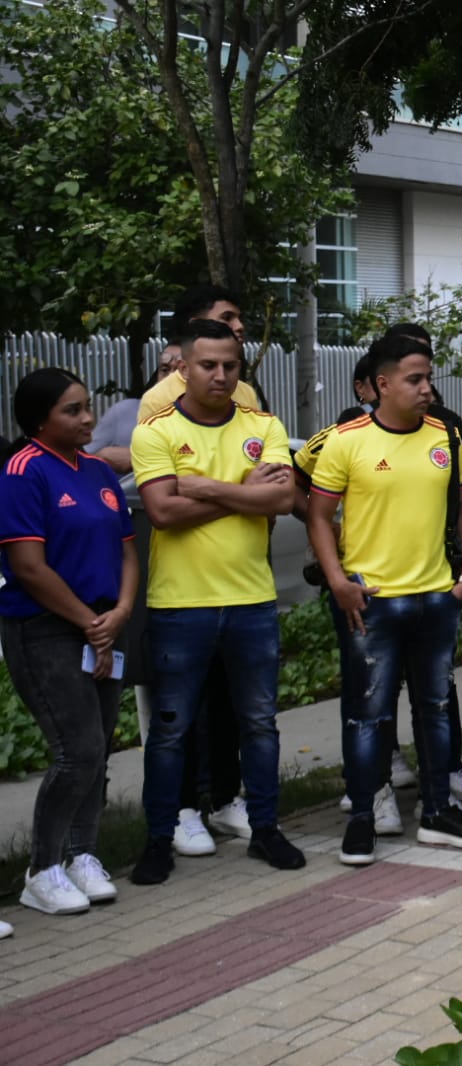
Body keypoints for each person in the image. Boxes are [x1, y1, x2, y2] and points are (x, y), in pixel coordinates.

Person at [129, 319, 305, 884]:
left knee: (259, 723)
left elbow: (280, 498)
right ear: (183, 367)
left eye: (231, 365)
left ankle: (266, 829)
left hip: (252, 601)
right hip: (180, 604)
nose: (222, 375)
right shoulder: (154, 431)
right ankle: (159, 838)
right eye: (208, 365)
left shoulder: (264, 424)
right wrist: (243, 492)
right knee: (172, 727)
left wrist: (202, 485)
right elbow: (161, 512)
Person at [308, 334, 462, 866]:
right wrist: (339, 581)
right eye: (414, 379)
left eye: (428, 378)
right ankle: (362, 817)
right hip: (373, 602)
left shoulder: (445, 437)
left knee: (434, 710)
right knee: (368, 716)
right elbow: (319, 516)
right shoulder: (347, 440)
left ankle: (436, 812)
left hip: (435, 599)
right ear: (382, 384)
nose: (426, 388)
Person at [0, 370, 138, 920]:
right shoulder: (21, 472)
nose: (87, 419)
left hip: (104, 624)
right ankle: (43, 869)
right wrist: (88, 622)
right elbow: (29, 568)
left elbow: (128, 550)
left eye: (87, 408)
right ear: (40, 420)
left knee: (98, 749)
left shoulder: (99, 471)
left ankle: (83, 854)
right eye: (72, 411)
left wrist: (120, 613)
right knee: (75, 749)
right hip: (46, 629)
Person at [137, 286, 259, 420]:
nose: (239, 326)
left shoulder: (246, 393)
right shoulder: (157, 399)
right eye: (227, 317)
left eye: (229, 366)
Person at [87, 341, 182, 474]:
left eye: (182, 371)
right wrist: (99, 458)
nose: (171, 378)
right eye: (165, 370)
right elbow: (82, 462)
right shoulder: (124, 412)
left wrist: (138, 458)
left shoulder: (215, 422)